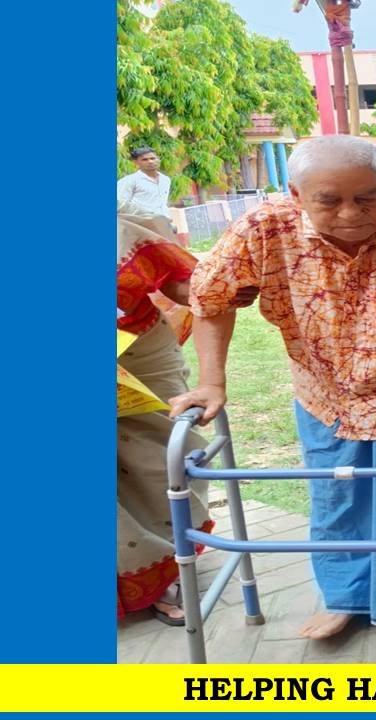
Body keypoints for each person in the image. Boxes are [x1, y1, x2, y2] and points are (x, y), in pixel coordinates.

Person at [169, 135, 376, 640]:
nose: (351, 213)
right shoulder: (263, 228)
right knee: (341, 494)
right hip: (328, 390)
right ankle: (348, 596)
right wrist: (210, 382)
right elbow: (211, 299)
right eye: (329, 200)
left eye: (367, 196)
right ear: (295, 193)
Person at [117, 202, 243, 624]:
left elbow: (177, 280)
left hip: (139, 357)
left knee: (160, 463)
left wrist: (221, 289)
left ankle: (164, 571)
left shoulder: (122, 223)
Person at [118, 147, 172, 218]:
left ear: (158, 159)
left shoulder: (165, 180)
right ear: (135, 162)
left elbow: (163, 203)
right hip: (142, 224)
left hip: (163, 222)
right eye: (144, 160)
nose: (150, 161)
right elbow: (120, 204)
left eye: (153, 158)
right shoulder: (129, 180)